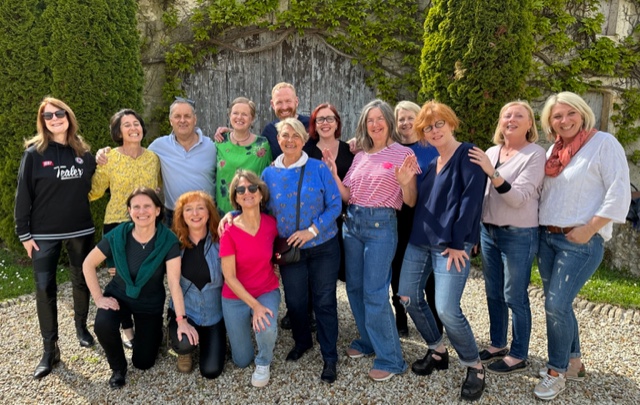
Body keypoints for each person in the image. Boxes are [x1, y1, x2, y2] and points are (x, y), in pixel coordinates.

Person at [533, 92, 630, 400]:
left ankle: (556, 372)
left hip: (579, 242)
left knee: (555, 305)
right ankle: (573, 362)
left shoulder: (603, 143)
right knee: (559, 304)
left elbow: (619, 191)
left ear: (583, 112)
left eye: (570, 113)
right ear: (550, 122)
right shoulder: (554, 151)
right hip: (548, 238)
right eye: (557, 116)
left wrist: (589, 229)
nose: (564, 120)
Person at [397, 101, 486, 401]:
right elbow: (413, 203)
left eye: (439, 124)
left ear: (451, 123)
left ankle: (474, 366)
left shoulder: (468, 155)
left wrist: (459, 242)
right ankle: (437, 350)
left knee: (447, 309)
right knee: (407, 297)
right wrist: (406, 182)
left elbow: (471, 202)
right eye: (428, 127)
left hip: (451, 246)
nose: (434, 131)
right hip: (419, 241)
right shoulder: (431, 163)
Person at [324, 99, 419, 382]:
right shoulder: (361, 155)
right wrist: (334, 175)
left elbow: (410, 201)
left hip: (381, 227)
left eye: (379, 119)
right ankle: (368, 340)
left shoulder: (403, 153)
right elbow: (347, 195)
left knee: (375, 293)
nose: (375, 124)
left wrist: (405, 182)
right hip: (352, 225)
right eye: (369, 120)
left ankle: (391, 358)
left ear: (388, 121)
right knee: (354, 287)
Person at [15, 97, 96, 379]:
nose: (54, 119)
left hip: (80, 230)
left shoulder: (83, 152)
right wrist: (24, 233)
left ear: (68, 116)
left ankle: (81, 328)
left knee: (82, 279)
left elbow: (94, 182)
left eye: (59, 113)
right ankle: (50, 350)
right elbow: (23, 195)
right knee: (43, 289)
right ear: (43, 122)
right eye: (48, 116)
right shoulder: (33, 154)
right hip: (43, 234)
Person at [82, 188, 197, 389]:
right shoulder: (119, 235)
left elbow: (173, 283)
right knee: (103, 324)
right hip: (119, 296)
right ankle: (118, 368)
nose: (141, 211)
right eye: (136, 207)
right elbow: (88, 264)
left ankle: (156, 333)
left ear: (158, 210)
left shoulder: (168, 241)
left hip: (149, 304)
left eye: (147, 206)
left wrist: (182, 320)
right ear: (129, 210)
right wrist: (99, 298)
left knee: (143, 362)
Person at [262, 118, 342, 383]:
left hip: (323, 247)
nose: (290, 140)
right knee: (295, 301)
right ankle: (302, 341)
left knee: (324, 301)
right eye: (285, 135)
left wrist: (312, 230)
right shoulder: (268, 174)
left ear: (304, 140)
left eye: (296, 135)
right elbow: (259, 209)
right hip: (290, 251)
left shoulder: (318, 168)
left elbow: (335, 205)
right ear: (278, 139)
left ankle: (329, 356)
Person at [468, 101, 546, 375]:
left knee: (514, 295)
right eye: (506, 115)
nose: (511, 119)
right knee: (493, 292)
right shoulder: (492, 151)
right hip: (489, 232)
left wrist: (492, 171)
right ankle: (498, 343)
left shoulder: (535, 154)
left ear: (529, 124)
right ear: (500, 122)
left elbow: (517, 198)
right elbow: (482, 197)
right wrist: (475, 231)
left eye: (519, 116)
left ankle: (518, 353)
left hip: (518, 235)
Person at [89, 108, 161, 348]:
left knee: (147, 276)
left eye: (136, 123)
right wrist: (95, 160)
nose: (133, 128)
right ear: (118, 132)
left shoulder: (153, 158)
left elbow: (157, 188)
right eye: (126, 125)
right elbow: (94, 192)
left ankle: (148, 323)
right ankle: (127, 330)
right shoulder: (109, 157)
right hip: (117, 225)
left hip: (147, 225)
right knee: (120, 280)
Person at [97, 97, 216, 226]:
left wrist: (229, 131)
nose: (182, 120)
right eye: (177, 116)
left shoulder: (212, 146)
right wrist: (103, 153)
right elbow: (136, 159)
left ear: (195, 119)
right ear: (171, 121)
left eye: (187, 116)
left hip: (207, 214)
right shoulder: (158, 146)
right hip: (174, 216)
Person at [219, 171, 280, 388]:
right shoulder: (228, 230)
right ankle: (247, 328)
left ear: (261, 194)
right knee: (242, 360)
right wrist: (255, 306)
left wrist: (260, 306)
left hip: (266, 289)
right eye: (241, 190)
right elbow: (229, 277)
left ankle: (264, 361)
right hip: (234, 296)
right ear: (235, 197)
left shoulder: (272, 224)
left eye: (253, 188)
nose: (248, 192)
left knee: (267, 326)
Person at [390, 101, 439, 337]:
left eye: (410, 117)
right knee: (397, 266)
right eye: (401, 119)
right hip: (399, 215)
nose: (406, 122)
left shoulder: (432, 147)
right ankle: (400, 317)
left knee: (429, 272)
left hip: (427, 214)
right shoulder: (391, 147)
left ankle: (435, 320)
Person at [169, 191, 226, 378]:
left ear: (209, 213)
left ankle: (211, 338)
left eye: (200, 208)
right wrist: (182, 321)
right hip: (186, 312)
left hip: (214, 315)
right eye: (189, 209)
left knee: (211, 371)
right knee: (184, 342)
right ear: (182, 215)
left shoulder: (221, 241)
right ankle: (184, 351)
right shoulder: (174, 245)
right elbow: (174, 284)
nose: (195, 214)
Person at [303, 103, 354, 282]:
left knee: (346, 273)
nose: (325, 123)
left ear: (337, 123)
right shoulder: (306, 152)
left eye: (330, 118)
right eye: (320, 119)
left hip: (345, 220)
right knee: (319, 276)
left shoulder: (350, 150)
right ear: (314, 125)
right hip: (317, 220)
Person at [215, 97, 272, 213]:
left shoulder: (262, 145)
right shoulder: (220, 142)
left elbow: (270, 175)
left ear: (252, 119)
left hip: (252, 211)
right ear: (229, 115)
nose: (239, 117)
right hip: (224, 210)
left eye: (244, 114)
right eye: (235, 113)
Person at [261, 82, 311, 157]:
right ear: (272, 104)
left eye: (288, 101)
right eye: (279, 102)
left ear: (296, 101)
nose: (284, 107)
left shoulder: (311, 125)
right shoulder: (269, 131)